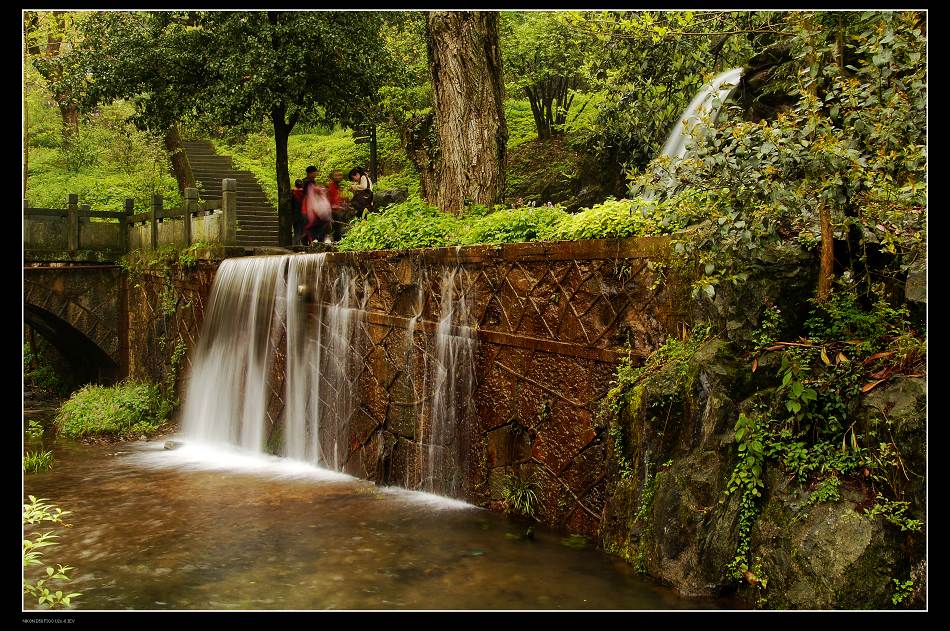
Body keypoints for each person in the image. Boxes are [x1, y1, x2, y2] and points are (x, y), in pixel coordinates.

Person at [326, 169, 349, 242]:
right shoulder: (331, 186)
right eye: (337, 175)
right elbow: (328, 201)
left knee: (338, 230)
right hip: (334, 212)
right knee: (337, 231)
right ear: (333, 177)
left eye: (340, 175)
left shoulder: (337, 186)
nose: (339, 177)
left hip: (338, 212)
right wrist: (338, 207)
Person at [291, 179, 305, 245]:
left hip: (295, 216)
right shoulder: (303, 194)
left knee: (298, 232)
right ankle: (296, 245)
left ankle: (297, 244)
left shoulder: (292, 193)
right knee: (299, 232)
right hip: (300, 216)